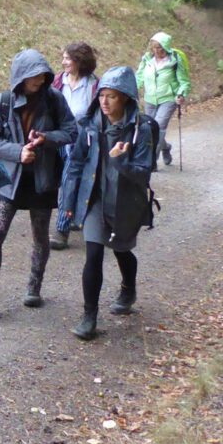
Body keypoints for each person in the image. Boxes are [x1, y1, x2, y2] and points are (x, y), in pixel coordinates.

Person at [0, 50, 77, 318]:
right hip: (10, 182)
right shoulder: (3, 102)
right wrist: (18, 152)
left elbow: (71, 131)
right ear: (20, 77)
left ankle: (34, 288)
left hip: (43, 181)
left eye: (42, 76)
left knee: (40, 237)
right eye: (34, 77)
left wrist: (46, 138)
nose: (39, 81)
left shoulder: (53, 99)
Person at [58, 66, 156, 340]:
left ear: (125, 98)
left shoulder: (141, 129)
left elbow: (143, 172)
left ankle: (128, 288)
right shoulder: (90, 125)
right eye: (102, 95)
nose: (104, 101)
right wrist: (68, 200)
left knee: (121, 251)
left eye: (111, 96)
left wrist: (120, 160)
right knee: (93, 254)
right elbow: (75, 163)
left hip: (125, 203)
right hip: (95, 201)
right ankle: (89, 315)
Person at [50, 42, 100, 250]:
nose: (63, 62)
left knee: (68, 181)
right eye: (63, 58)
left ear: (80, 61)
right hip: (57, 139)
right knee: (63, 181)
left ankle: (62, 230)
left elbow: (97, 117)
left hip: (79, 142)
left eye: (67, 59)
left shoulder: (93, 85)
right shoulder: (58, 82)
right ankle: (74, 215)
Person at [136, 31, 190, 168]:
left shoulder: (174, 60)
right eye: (154, 47)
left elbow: (184, 81)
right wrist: (131, 90)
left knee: (159, 127)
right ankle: (165, 147)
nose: (156, 50)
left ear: (166, 46)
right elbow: (139, 77)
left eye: (159, 47)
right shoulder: (147, 59)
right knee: (149, 129)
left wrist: (181, 94)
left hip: (168, 98)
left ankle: (151, 160)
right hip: (150, 99)